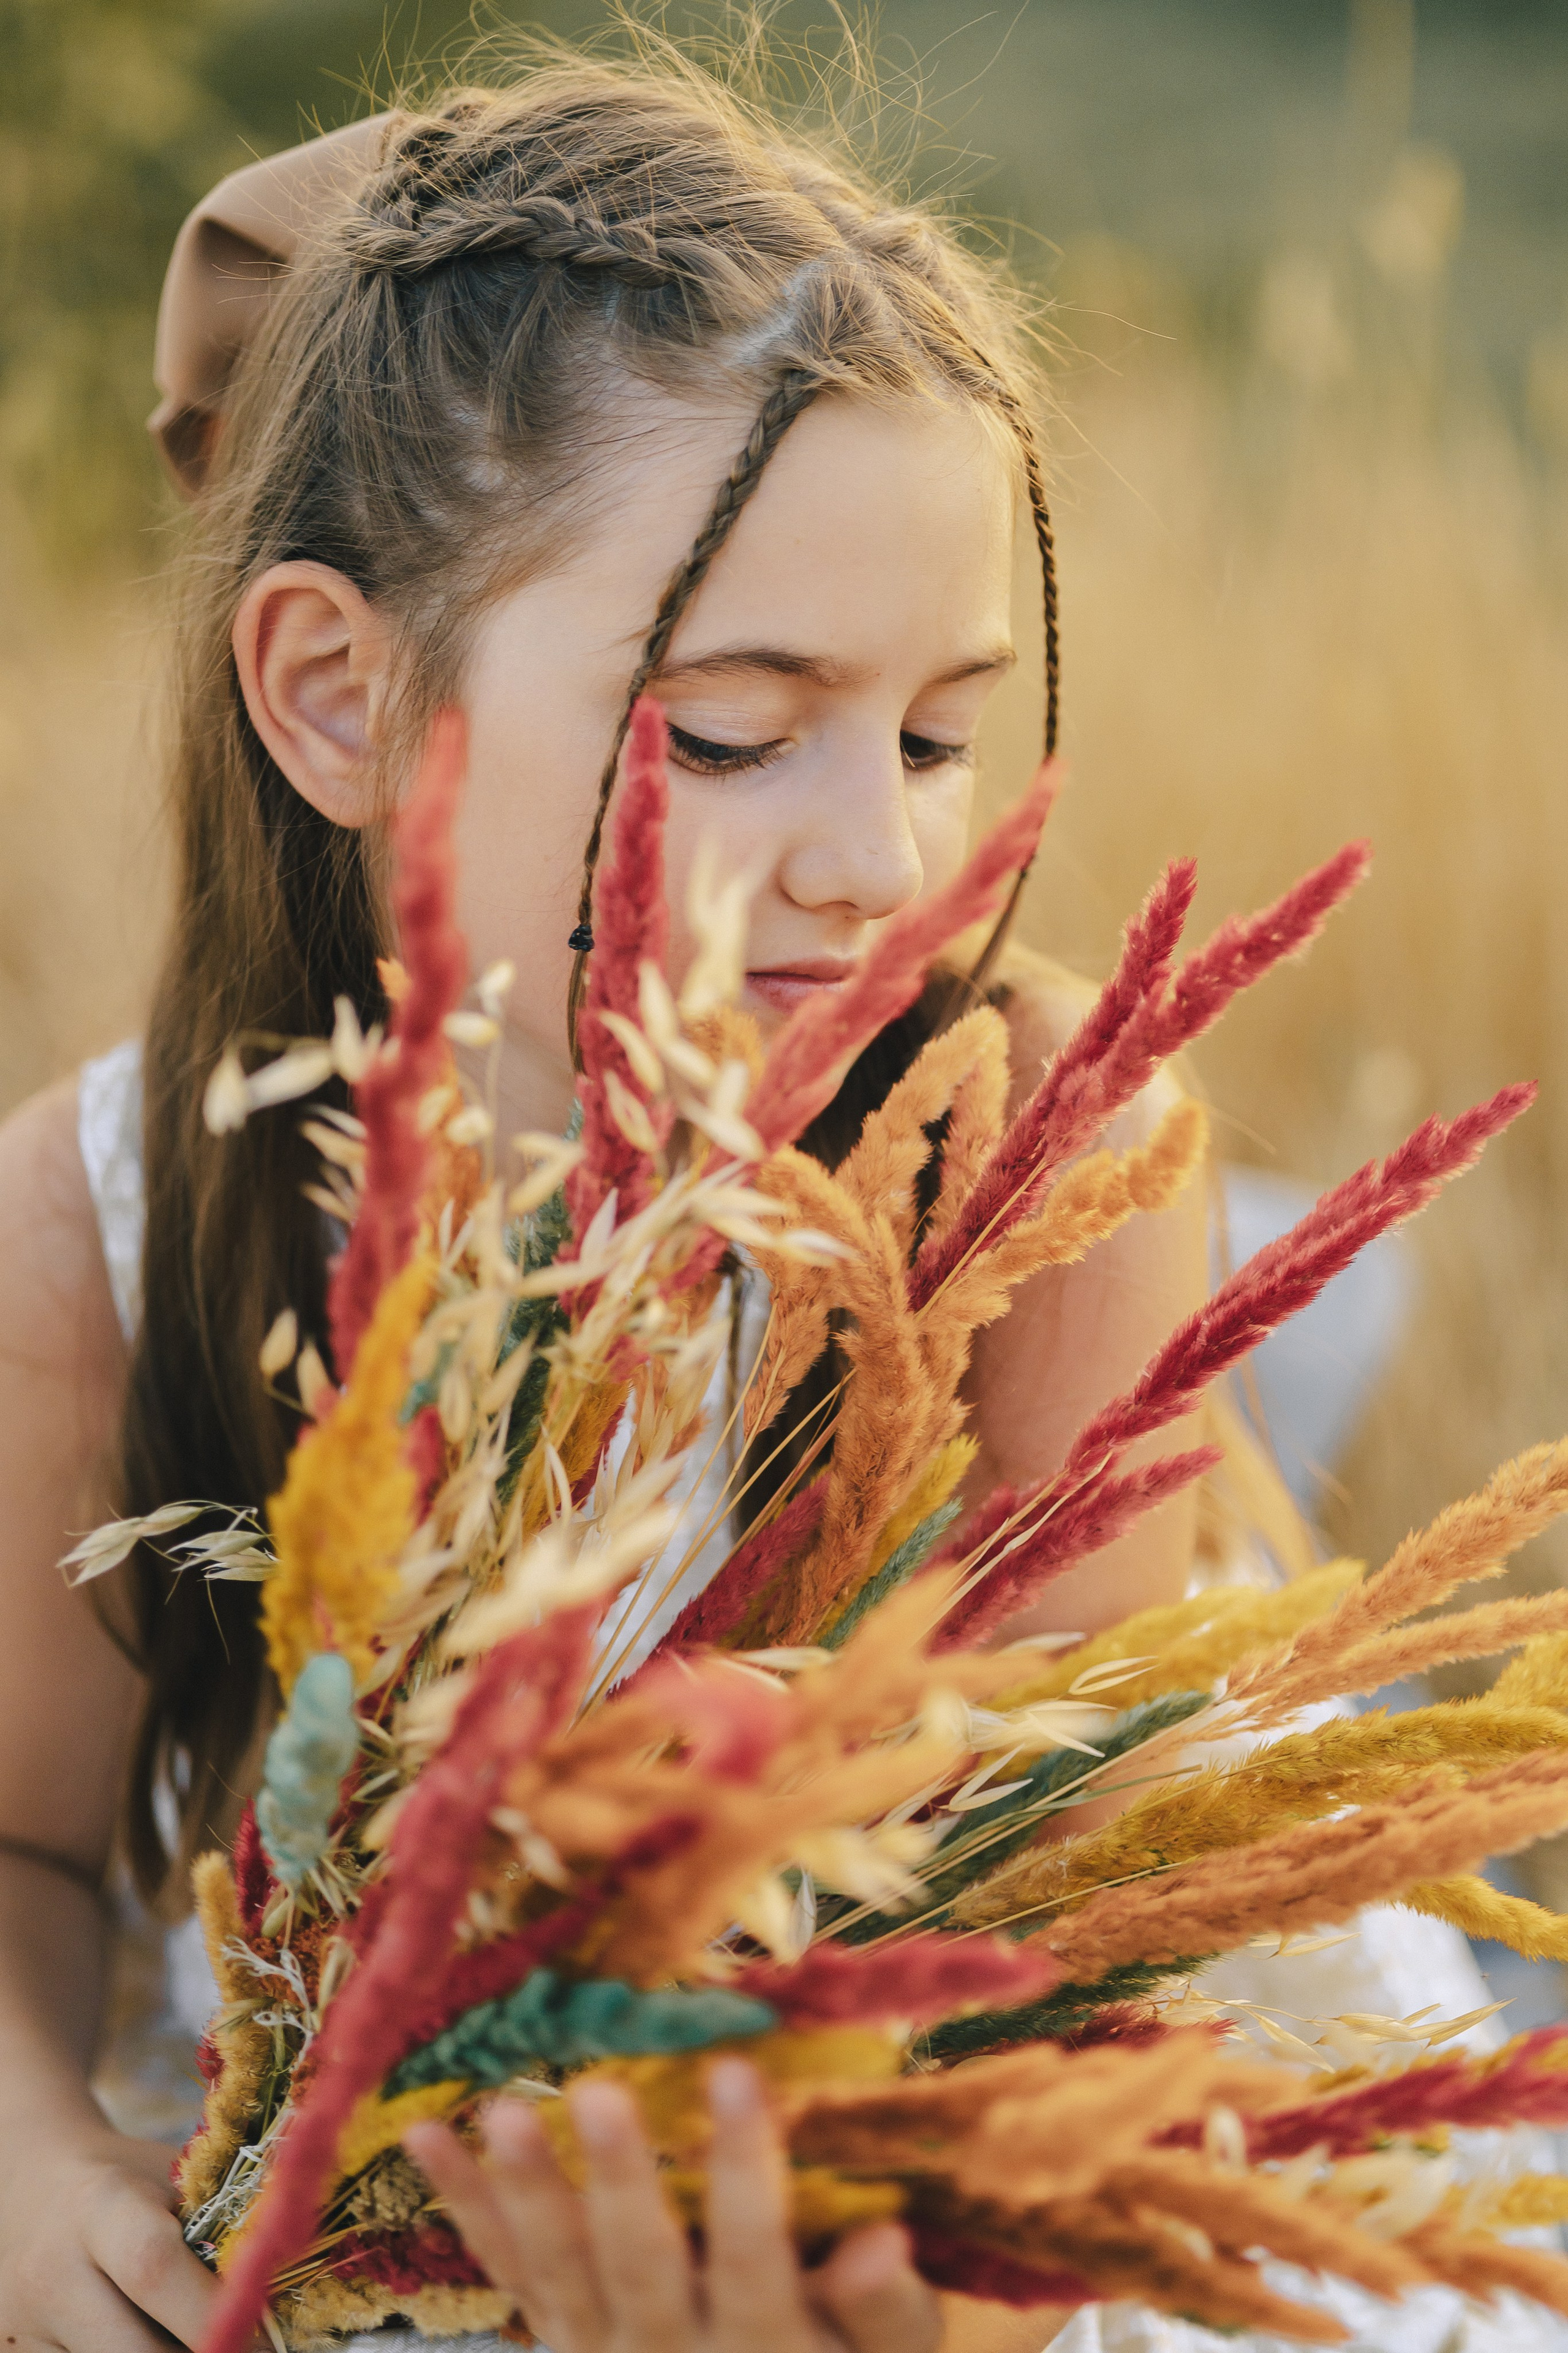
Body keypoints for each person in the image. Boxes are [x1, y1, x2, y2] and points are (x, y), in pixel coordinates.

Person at [0, 44, 1291, 2353]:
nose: (881, 857)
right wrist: (23, 2147)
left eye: (931, 729)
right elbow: (16, 1847)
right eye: (728, 727)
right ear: (334, 695)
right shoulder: (99, 1233)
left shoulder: (1036, 1171)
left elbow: (1049, 1975)